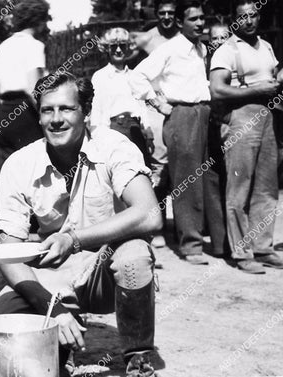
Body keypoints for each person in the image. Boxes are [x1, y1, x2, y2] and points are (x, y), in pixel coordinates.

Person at [0, 72, 163, 376]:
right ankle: (60, 343)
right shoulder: (19, 163)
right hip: (50, 274)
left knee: (135, 254)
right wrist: (50, 307)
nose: (56, 119)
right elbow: (7, 250)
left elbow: (149, 214)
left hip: (102, 269)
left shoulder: (113, 146)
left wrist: (75, 240)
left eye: (66, 109)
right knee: (4, 335)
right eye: (47, 110)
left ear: (87, 111)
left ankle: (139, 353)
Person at [134, 0, 213, 265]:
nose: (200, 23)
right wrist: (158, 103)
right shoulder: (170, 49)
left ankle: (208, 238)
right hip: (181, 115)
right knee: (187, 181)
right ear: (180, 22)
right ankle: (190, 246)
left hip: (204, 113)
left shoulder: (201, 48)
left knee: (207, 177)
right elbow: (138, 76)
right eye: (194, 19)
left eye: (202, 18)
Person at [210, 0, 283, 273]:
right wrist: (256, 91)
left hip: (270, 116)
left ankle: (263, 247)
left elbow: (272, 77)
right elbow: (217, 91)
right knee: (239, 189)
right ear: (234, 20)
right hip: (241, 117)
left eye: (253, 15)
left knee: (266, 186)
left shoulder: (266, 46)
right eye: (243, 17)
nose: (249, 21)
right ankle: (242, 253)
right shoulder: (226, 51)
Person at [131, 0, 180, 249]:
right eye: (162, 13)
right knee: (159, 166)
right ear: (156, 14)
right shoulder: (147, 38)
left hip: (180, 105)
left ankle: (182, 225)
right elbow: (124, 63)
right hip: (156, 107)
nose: (167, 17)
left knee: (182, 165)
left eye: (171, 13)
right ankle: (157, 224)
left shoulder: (184, 37)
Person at [0, 0, 51, 166]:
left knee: (10, 167)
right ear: (39, 21)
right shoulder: (34, 46)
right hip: (26, 113)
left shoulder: (3, 46)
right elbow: (33, 88)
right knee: (33, 165)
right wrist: (46, 114)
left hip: (5, 113)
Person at [91, 27, 154, 167]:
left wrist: (148, 132)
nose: (118, 50)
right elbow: (96, 109)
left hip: (136, 129)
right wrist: (99, 137)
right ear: (107, 48)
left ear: (128, 48)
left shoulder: (135, 75)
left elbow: (142, 106)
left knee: (141, 169)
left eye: (122, 46)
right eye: (113, 46)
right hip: (114, 128)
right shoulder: (100, 76)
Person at [205, 22, 232, 258]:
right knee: (212, 182)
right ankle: (219, 242)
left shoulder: (232, 62)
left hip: (232, 125)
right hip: (210, 127)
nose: (219, 42)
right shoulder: (204, 63)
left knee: (232, 182)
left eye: (224, 38)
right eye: (215, 38)